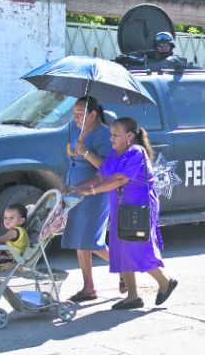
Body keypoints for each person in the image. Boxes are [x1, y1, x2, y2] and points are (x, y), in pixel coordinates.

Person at [71, 117, 178, 309]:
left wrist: (92, 191)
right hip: (122, 207)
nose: (111, 138)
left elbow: (120, 179)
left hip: (139, 207)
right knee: (121, 249)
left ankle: (165, 282)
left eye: (115, 135)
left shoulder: (136, 152)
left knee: (137, 248)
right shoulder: (115, 154)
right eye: (111, 134)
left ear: (129, 136)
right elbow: (100, 175)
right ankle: (133, 297)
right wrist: (74, 188)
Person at [62, 97, 125, 302]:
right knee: (81, 241)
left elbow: (108, 170)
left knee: (92, 240)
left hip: (95, 194)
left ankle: (124, 267)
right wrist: (67, 184)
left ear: (93, 114)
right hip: (77, 193)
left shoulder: (105, 135)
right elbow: (74, 163)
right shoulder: (80, 132)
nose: (76, 117)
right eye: (74, 113)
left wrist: (86, 153)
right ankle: (88, 287)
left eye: (80, 113)